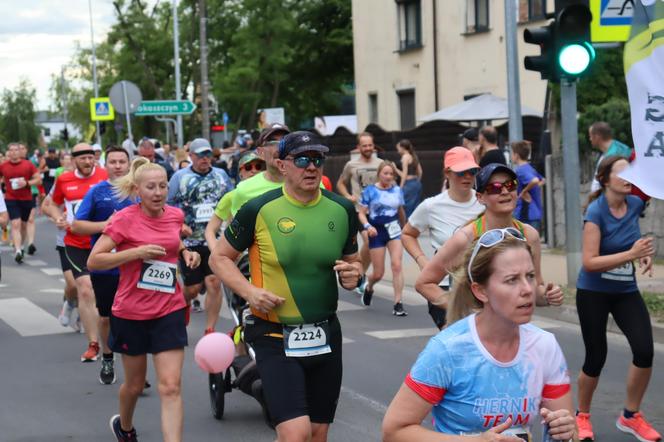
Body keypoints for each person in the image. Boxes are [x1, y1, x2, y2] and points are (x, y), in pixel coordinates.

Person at [209, 131, 363, 442]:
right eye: (302, 159)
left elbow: (354, 261)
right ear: (281, 165)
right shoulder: (258, 209)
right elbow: (219, 259)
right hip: (273, 335)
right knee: (295, 433)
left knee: (318, 433)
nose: (311, 167)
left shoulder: (341, 209)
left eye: (317, 159)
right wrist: (250, 292)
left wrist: (354, 274)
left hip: (324, 334)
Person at [383, 229, 575, 440]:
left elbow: (568, 433)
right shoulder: (448, 350)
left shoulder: (544, 345)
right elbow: (394, 431)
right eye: (511, 280)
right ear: (480, 291)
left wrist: (566, 431)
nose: (528, 289)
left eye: (529, 276)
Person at [87, 157, 200, 442]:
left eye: (163, 185)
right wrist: (135, 253)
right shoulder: (123, 219)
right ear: (138, 190)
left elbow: (173, 238)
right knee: (135, 385)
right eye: (151, 187)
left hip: (169, 308)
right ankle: (124, 427)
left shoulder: (175, 215)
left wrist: (186, 252)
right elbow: (94, 261)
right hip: (131, 312)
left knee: (171, 386)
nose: (158, 192)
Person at [575, 156, 660, 442]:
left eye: (630, 173)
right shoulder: (596, 212)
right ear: (605, 179)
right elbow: (589, 262)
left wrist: (645, 254)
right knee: (596, 357)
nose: (628, 178)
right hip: (593, 293)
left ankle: (630, 415)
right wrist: (631, 255)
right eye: (621, 173)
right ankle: (582, 416)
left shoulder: (635, 205)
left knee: (644, 351)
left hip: (625, 291)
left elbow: (633, 240)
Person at [415, 163, 564, 313]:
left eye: (510, 185)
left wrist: (548, 295)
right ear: (480, 197)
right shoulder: (466, 237)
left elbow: (535, 289)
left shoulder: (529, 235)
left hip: (514, 327)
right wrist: (465, 313)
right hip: (478, 332)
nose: (505, 191)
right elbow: (424, 283)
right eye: (495, 188)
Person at [401, 147, 484, 329]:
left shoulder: (483, 203)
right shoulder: (431, 206)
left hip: (479, 284)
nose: (467, 177)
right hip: (443, 285)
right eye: (461, 172)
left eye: (472, 171)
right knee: (456, 338)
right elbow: (407, 234)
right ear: (447, 173)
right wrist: (423, 261)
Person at [71, 146, 133, 384]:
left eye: (122, 161)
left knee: (131, 318)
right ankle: (108, 356)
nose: (117, 166)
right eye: (113, 162)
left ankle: (132, 367)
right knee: (106, 317)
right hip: (106, 266)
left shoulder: (138, 191)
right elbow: (77, 226)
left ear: (129, 165)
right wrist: (106, 226)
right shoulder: (97, 192)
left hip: (134, 265)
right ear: (105, 166)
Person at [42, 143, 108, 362]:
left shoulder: (105, 176)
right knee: (84, 289)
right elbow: (51, 204)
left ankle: (107, 335)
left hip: (103, 242)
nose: (88, 162)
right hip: (75, 242)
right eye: (83, 159)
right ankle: (93, 344)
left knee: (101, 294)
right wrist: (57, 217)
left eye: (91, 158)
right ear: (73, 160)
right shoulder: (64, 179)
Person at [167, 138, 234, 334]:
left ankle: (209, 329)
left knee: (214, 282)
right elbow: (167, 206)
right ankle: (185, 303)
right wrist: (180, 224)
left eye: (208, 155)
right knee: (193, 288)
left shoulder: (221, 175)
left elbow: (231, 201)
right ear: (192, 156)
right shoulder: (179, 177)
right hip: (189, 241)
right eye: (201, 155)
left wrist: (231, 223)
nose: (205, 159)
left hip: (215, 239)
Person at [357, 161, 407, 316]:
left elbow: (400, 211)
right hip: (376, 232)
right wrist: (367, 226)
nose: (389, 176)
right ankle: (369, 286)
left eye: (391, 174)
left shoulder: (397, 190)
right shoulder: (370, 191)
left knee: (397, 265)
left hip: (393, 230)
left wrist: (405, 229)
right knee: (378, 273)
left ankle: (398, 303)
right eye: (386, 173)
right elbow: (361, 213)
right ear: (379, 174)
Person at [337, 132, 383, 273]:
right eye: (365, 145)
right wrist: (347, 195)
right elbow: (340, 183)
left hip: (377, 211)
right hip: (359, 211)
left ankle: (360, 274)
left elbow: (389, 183)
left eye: (370, 145)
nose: (368, 148)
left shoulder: (380, 163)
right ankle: (359, 273)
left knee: (373, 245)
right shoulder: (351, 165)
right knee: (369, 241)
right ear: (358, 147)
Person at [205, 151, 265, 247]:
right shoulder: (231, 196)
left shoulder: (273, 192)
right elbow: (210, 230)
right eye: (248, 167)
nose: (254, 171)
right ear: (240, 173)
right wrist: (217, 255)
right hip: (241, 255)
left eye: (259, 167)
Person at [229, 123, 290, 215]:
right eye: (272, 142)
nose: (279, 147)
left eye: (285, 141)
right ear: (261, 152)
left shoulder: (309, 184)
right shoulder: (243, 190)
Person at [0, 142, 42, 263]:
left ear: (20, 152)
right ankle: (18, 250)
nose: (13, 152)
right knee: (15, 224)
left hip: (26, 198)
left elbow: (38, 180)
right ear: (8, 152)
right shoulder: (3, 166)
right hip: (11, 198)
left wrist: (27, 183)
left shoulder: (28, 165)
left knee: (23, 225)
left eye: (16, 150)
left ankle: (21, 246)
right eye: (11, 150)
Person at [588, 121, 632, 193]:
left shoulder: (614, 155)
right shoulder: (618, 148)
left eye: (590, 136)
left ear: (597, 136)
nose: (590, 139)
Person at [511, 140, 545, 232]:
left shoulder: (521, 170)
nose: (511, 156)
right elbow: (542, 181)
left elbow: (535, 180)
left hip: (526, 214)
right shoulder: (530, 168)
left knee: (524, 244)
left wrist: (524, 192)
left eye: (512, 154)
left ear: (517, 155)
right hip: (535, 212)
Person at [395, 139, 422, 217]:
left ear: (402, 148)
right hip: (417, 184)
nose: (398, 151)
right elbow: (420, 171)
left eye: (398, 149)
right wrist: (417, 182)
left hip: (408, 184)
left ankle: (406, 227)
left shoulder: (405, 157)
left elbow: (404, 175)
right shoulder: (413, 156)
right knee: (415, 207)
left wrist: (400, 188)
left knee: (406, 208)